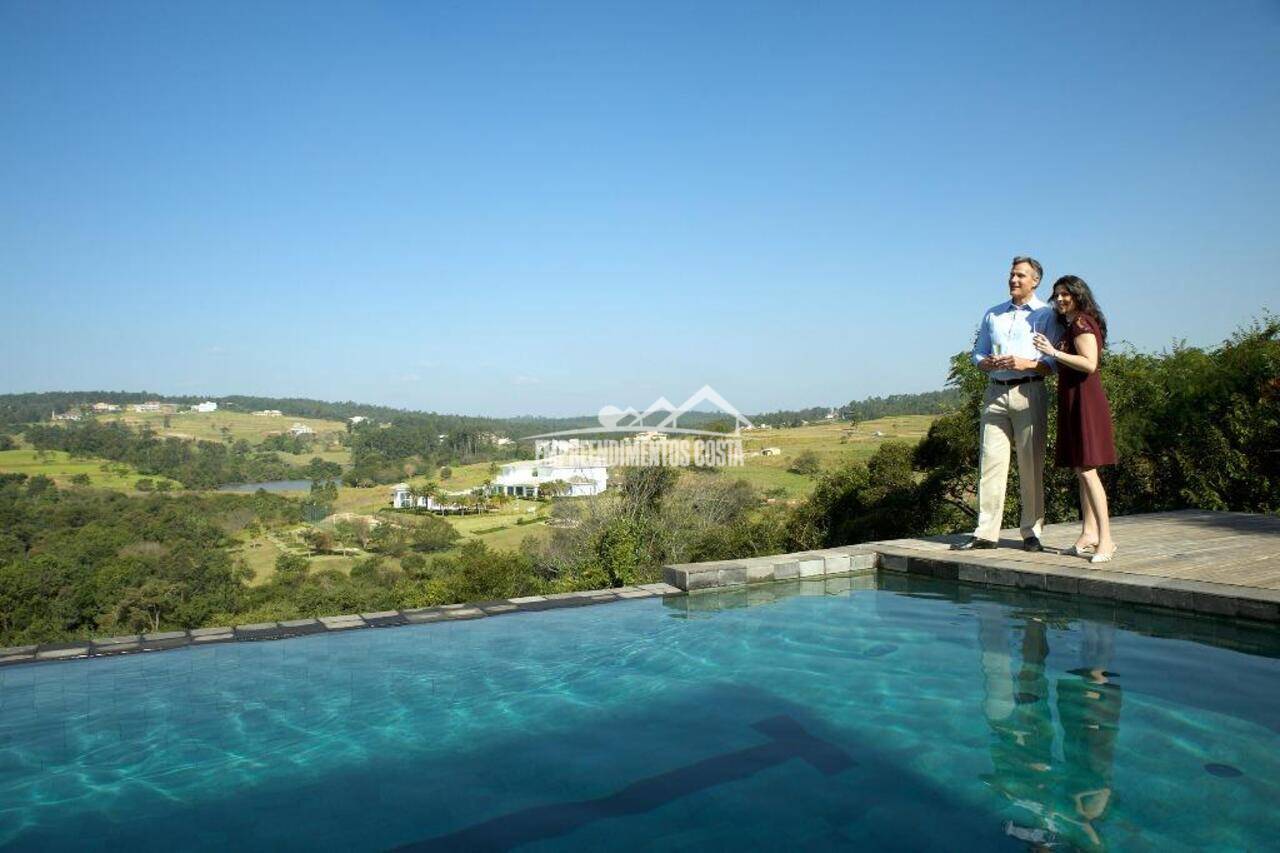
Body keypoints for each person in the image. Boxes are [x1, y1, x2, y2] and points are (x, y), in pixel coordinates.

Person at [953, 257, 1062, 552]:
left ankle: (1032, 532)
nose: (1014, 280)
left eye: (1020, 276)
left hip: (1029, 391)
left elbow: (1053, 362)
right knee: (990, 463)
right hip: (995, 392)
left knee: (1031, 463)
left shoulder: (1047, 315)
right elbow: (977, 354)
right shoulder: (994, 314)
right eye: (1012, 275)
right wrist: (985, 362)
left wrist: (1024, 362)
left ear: (1035, 281)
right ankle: (986, 532)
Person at [1033, 275, 1118, 563]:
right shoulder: (1073, 324)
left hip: (1086, 401)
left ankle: (1106, 539)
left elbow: (1089, 363)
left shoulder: (1082, 322)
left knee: (1087, 471)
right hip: (1074, 399)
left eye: (1065, 294)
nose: (1059, 299)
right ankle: (1089, 533)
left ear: (1078, 295)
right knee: (1081, 471)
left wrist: (1053, 351)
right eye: (1056, 295)